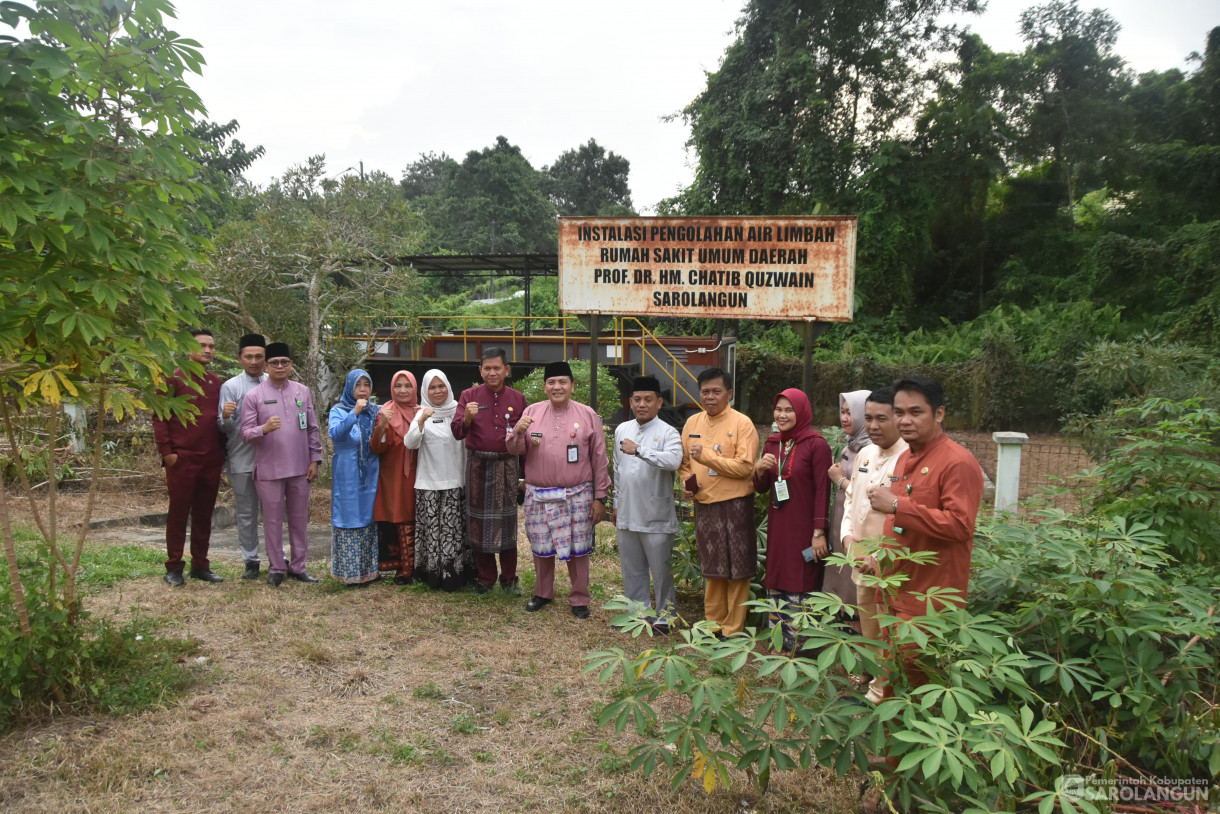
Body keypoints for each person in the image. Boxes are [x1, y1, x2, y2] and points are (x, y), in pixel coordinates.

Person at [863, 374, 984, 696]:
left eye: (916, 412)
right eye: (899, 412)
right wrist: (878, 559)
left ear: (939, 414)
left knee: (917, 689)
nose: (905, 420)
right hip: (895, 589)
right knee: (892, 682)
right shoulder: (905, 457)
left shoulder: (958, 462)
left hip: (929, 598)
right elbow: (900, 526)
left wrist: (899, 505)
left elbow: (960, 525)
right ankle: (888, 746)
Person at [506, 361, 610, 619]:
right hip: (538, 495)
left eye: (563, 382)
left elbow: (599, 459)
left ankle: (579, 598)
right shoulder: (532, 412)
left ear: (572, 386)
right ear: (544, 387)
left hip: (577, 494)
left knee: (578, 549)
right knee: (541, 545)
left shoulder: (588, 415)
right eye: (551, 382)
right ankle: (543, 592)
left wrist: (600, 497)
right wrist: (517, 432)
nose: (557, 387)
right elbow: (514, 450)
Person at [679, 368, 760, 637]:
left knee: (738, 569)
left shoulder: (742, 424)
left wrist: (707, 459)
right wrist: (687, 484)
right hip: (704, 504)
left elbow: (746, 468)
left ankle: (733, 630)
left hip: (736, 505)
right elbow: (684, 465)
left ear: (730, 394)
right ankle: (711, 625)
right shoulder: (692, 423)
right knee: (712, 568)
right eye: (705, 392)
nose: (710, 397)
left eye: (716, 391)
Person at [838, 386, 908, 698]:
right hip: (859, 558)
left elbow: (907, 517)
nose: (874, 426)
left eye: (882, 418)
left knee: (889, 628)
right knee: (868, 625)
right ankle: (873, 680)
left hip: (890, 565)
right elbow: (850, 503)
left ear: (898, 418)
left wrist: (881, 557)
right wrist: (848, 538)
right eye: (868, 418)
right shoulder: (865, 454)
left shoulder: (908, 458)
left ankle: (885, 691)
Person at [752, 388, 832, 650]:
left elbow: (823, 490)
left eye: (789, 410)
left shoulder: (816, 445)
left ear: (802, 412)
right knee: (778, 574)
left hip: (804, 527)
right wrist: (760, 470)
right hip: (779, 525)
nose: (782, 415)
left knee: (801, 575)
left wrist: (819, 531)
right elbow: (763, 487)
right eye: (779, 409)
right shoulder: (773, 443)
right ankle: (778, 637)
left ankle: (800, 642)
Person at [239, 342, 323, 586]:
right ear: (267, 366)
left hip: (300, 467)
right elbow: (245, 433)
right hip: (269, 470)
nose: (279, 366)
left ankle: (299, 566)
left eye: (284, 362)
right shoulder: (254, 396)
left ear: (291, 365)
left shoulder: (302, 391)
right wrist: (263, 429)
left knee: (299, 520)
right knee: (273, 521)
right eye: (274, 363)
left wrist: (315, 459)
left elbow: (312, 427)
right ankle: (276, 567)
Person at [152, 328, 227, 586]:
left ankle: (200, 565)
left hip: (211, 459)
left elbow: (219, 420)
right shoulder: (172, 378)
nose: (208, 350)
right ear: (188, 348)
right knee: (178, 513)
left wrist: (222, 452)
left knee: (205, 514)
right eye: (202, 346)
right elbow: (160, 416)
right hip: (182, 459)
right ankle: (173, 567)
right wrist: (168, 453)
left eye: (212, 346)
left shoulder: (216, 382)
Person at [451, 348, 527, 594]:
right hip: (478, 465)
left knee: (507, 522)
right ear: (480, 370)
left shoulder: (518, 398)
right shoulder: (468, 396)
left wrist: (524, 475)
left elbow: (523, 441)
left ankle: (509, 579)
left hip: (507, 465)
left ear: (507, 370)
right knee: (478, 522)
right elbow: (457, 432)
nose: (492, 372)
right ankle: (485, 578)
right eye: (487, 368)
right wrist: (468, 418)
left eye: (497, 368)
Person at [612, 376, 683, 632]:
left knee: (661, 571)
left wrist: (640, 450)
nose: (642, 404)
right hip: (627, 510)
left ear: (659, 402)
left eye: (648, 400)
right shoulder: (622, 429)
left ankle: (665, 616)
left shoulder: (668, 432)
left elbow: (673, 461)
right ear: (630, 402)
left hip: (656, 513)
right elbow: (618, 469)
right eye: (637, 399)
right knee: (632, 568)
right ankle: (638, 614)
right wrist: (616, 502)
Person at [406, 369, 473, 591]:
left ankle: (456, 575)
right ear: (425, 390)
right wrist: (423, 419)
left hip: (456, 482)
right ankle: (433, 575)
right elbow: (410, 443)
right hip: (429, 485)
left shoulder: (459, 410)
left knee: (453, 533)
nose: (437, 391)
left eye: (441, 386)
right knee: (434, 533)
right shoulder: (421, 413)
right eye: (432, 387)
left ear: (448, 386)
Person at [218, 333, 268, 580]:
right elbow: (223, 428)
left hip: (271, 460)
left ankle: (278, 559)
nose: (254, 361)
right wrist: (226, 416)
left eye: (259, 356)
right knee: (246, 513)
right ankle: (251, 560)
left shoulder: (273, 382)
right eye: (248, 356)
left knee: (273, 511)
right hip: (241, 459)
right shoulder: (231, 386)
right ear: (239, 358)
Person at [328, 369, 381, 587]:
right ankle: (349, 574)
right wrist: (354, 414)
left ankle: (369, 572)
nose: (362, 389)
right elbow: (336, 434)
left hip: (370, 472)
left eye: (366, 385)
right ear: (350, 387)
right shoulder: (339, 410)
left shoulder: (376, 411)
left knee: (368, 517)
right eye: (358, 385)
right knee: (349, 517)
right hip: (347, 473)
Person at [822, 389, 872, 608]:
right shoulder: (849, 447)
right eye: (842, 412)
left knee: (854, 578)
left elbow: (870, 497)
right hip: (841, 522)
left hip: (860, 526)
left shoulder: (872, 450)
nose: (844, 418)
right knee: (839, 573)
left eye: (850, 413)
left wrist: (839, 480)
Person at [370, 370, 418, 585]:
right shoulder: (386, 412)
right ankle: (402, 568)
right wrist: (381, 425)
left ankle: (420, 565)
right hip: (394, 475)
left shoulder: (423, 412)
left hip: (420, 472)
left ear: (415, 388)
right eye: (398, 386)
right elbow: (377, 447)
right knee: (399, 514)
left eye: (407, 385)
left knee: (418, 515)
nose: (403, 390)